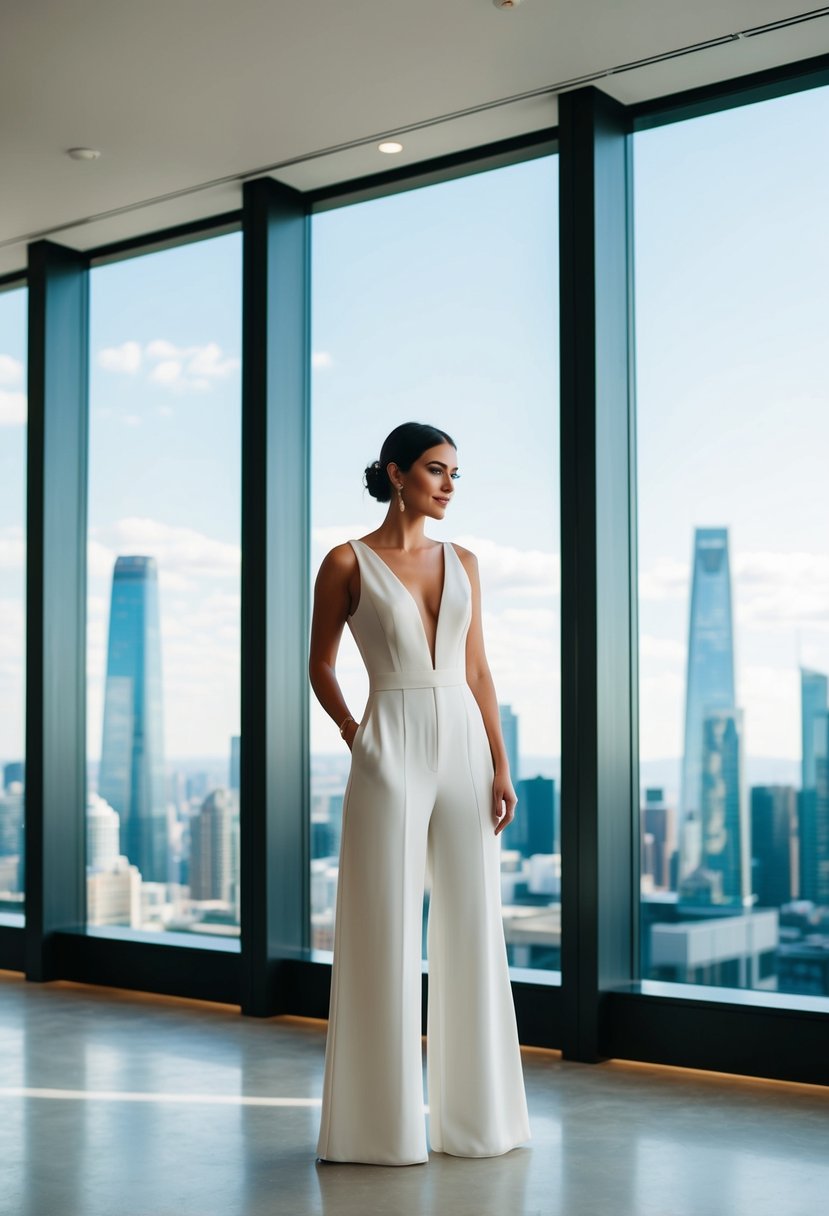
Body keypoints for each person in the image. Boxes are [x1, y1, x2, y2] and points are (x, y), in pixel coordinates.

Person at [310, 421, 531, 1166]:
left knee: (471, 925)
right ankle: (379, 1132)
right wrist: (352, 732)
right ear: (396, 472)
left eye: (455, 475)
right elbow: (319, 663)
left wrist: (500, 765)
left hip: (465, 747)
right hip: (389, 743)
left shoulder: (463, 561)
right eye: (436, 471)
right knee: (385, 929)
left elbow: (477, 673)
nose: (448, 486)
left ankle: (480, 1124)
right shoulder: (346, 561)